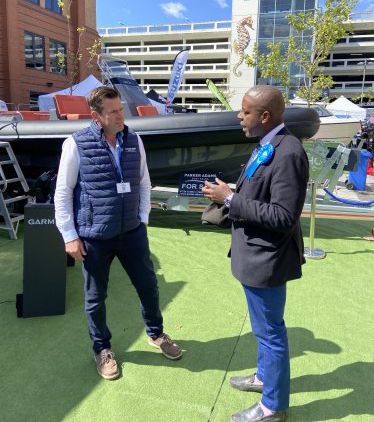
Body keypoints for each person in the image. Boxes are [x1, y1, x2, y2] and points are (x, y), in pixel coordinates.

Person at [55, 86, 182, 380]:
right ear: (96, 116)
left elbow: (144, 181)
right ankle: (102, 348)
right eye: (112, 112)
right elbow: (63, 193)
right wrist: (69, 236)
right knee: (96, 296)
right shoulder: (75, 144)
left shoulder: (134, 140)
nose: (119, 116)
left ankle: (156, 335)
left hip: (132, 231)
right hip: (95, 237)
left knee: (148, 286)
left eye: (120, 109)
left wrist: (143, 218)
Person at [202, 85, 309, 422]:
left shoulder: (288, 152)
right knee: (264, 329)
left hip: (268, 262)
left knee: (270, 332)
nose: (239, 116)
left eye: (245, 112)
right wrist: (231, 194)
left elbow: (283, 217)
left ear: (264, 116)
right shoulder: (268, 144)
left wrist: (230, 200)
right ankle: (264, 378)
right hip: (255, 258)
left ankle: (273, 407)